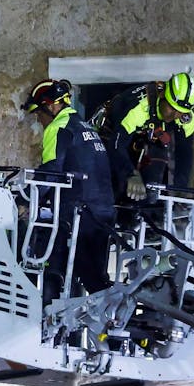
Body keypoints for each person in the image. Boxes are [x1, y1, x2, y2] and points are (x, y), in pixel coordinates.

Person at [21, 79, 115, 300]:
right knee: (94, 281)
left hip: (79, 214)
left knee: (63, 272)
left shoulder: (58, 127)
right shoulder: (86, 128)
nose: (39, 120)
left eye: (39, 114)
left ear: (52, 106)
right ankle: (107, 319)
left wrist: (24, 200)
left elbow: (51, 171)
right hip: (103, 213)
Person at [89, 72, 194, 202]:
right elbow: (117, 145)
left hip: (145, 136)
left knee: (152, 187)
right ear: (163, 94)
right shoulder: (139, 108)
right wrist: (130, 173)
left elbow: (184, 153)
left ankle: (148, 210)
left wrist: (180, 191)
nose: (174, 115)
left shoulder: (186, 117)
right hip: (111, 135)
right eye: (171, 107)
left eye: (180, 112)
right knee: (117, 183)